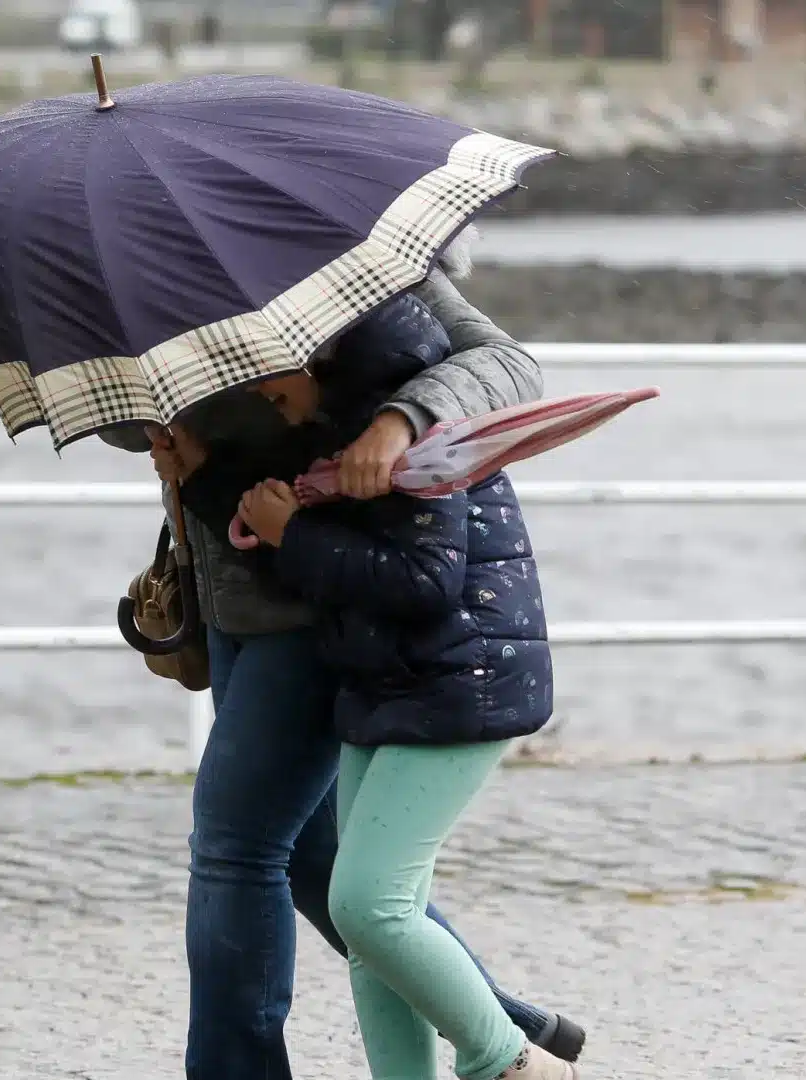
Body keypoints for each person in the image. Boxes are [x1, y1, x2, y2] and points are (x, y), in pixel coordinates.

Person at [101, 241, 584, 1079]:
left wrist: (397, 421)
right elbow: (114, 419)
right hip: (230, 584)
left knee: (238, 846)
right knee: (325, 866)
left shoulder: (350, 251)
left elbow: (501, 364)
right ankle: (505, 1021)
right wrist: (149, 399)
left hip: (326, 595)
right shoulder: (154, 257)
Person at [225, 296, 571, 1079]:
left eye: (265, 366)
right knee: (377, 929)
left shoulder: (412, 437)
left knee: (367, 907)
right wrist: (245, 505)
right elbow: (326, 559)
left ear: (315, 350)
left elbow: (425, 583)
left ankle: (512, 1063)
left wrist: (295, 533)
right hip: (387, 687)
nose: (254, 387)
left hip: (462, 685)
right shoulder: (340, 436)